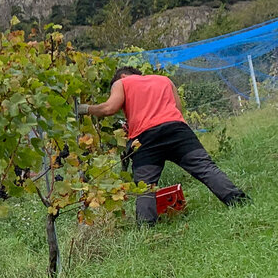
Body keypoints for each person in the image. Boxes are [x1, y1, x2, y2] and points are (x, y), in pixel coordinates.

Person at [77, 66, 247, 223]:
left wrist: (84, 109)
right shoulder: (165, 80)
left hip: (146, 137)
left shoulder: (121, 82)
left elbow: (109, 108)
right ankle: (240, 202)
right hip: (177, 130)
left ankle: (146, 229)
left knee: (145, 186)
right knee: (206, 168)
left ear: (122, 76)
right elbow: (177, 109)